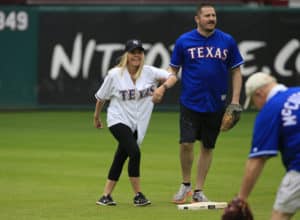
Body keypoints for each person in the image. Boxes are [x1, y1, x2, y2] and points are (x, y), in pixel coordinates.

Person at [153, 3, 244, 204]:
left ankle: (198, 190)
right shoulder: (184, 41)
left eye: (213, 15)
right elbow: (173, 70)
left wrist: (236, 100)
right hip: (190, 101)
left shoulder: (226, 40)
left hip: (216, 103)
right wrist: (162, 87)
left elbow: (236, 71)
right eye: (207, 15)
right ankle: (185, 185)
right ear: (197, 19)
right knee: (186, 143)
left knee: (208, 146)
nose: (211, 18)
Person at [93, 39, 177, 207]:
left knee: (121, 156)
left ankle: (105, 196)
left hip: (139, 123)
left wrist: (162, 88)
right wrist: (96, 117)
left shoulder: (149, 72)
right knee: (135, 152)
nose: (136, 55)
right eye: (133, 52)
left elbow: (172, 76)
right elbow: (101, 98)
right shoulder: (115, 74)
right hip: (118, 119)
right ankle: (138, 195)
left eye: (139, 52)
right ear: (126, 55)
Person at [230, 72, 300, 220]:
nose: (257, 107)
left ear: (259, 93)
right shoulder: (297, 91)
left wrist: (241, 199)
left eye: (254, 102)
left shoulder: (271, 108)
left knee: (280, 215)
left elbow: (258, 159)